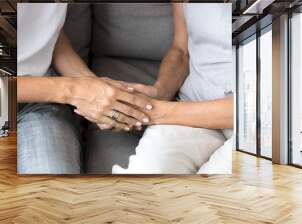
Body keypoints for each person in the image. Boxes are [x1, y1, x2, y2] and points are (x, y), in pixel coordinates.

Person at [17, 3, 234, 174]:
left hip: (256, 121)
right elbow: (180, 51)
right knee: (144, 179)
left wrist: (102, 93)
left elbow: (44, 29)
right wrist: (78, 89)